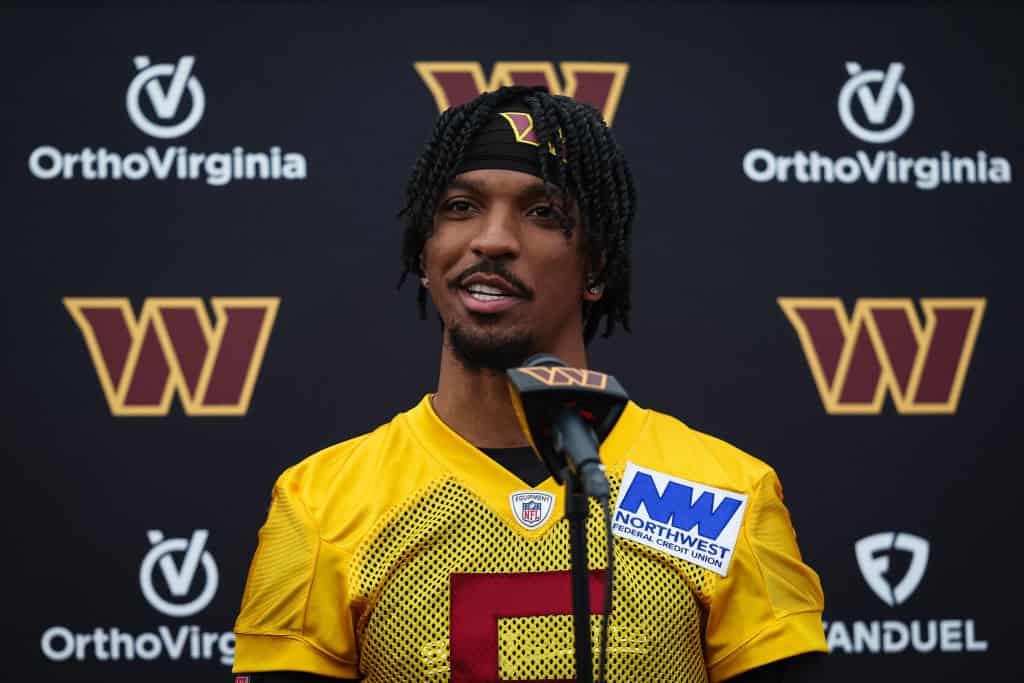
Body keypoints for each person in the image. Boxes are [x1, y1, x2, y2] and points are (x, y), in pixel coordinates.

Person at [232, 85, 828, 682]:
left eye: (542, 212)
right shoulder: (319, 502)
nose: (492, 240)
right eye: (461, 207)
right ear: (424, 254)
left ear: (595, 268)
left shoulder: (724, 494)